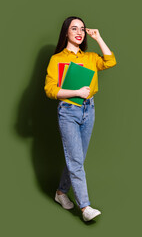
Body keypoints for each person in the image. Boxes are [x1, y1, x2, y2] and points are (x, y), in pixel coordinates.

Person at [44, 16, 117, 221]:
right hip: (68, 111)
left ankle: (60, 193)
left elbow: (110, 61)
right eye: (74, 28)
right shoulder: (57, 59)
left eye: (82, 29)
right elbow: (50, 90)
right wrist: (75, 90)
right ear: (66, 32)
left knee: (77, 159)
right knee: (76, 160)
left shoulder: (91, 57)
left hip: (89, 110)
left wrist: (98, 37)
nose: (79, 32)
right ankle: (85, 208)